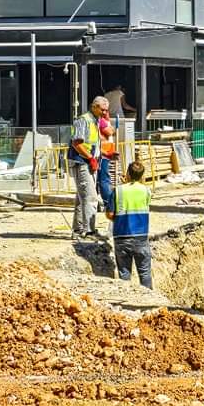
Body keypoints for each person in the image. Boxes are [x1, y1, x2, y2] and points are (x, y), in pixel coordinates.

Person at [106, 160, 153, 289]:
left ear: (127, 173)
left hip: (121, 237)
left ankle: (126, 299)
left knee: (124, 274)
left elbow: (110, 214)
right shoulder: (146, 191)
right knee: (145, 273)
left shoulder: (118, 190)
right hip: (141, 237)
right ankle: (149, 298)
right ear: (142, 176)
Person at [68, 96, 108, 239]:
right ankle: (89, 231)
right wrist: (90, 158)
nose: (105, 113)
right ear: (94, 107)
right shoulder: (83, 120)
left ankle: (78, 230)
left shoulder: (95, 121)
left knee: (82, 198)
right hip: (81, 163)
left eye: (106, 110)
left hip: (89, 162)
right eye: (102, 110)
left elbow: (92, 145)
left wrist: (105, 154)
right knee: (90, 197)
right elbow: (76, 144)